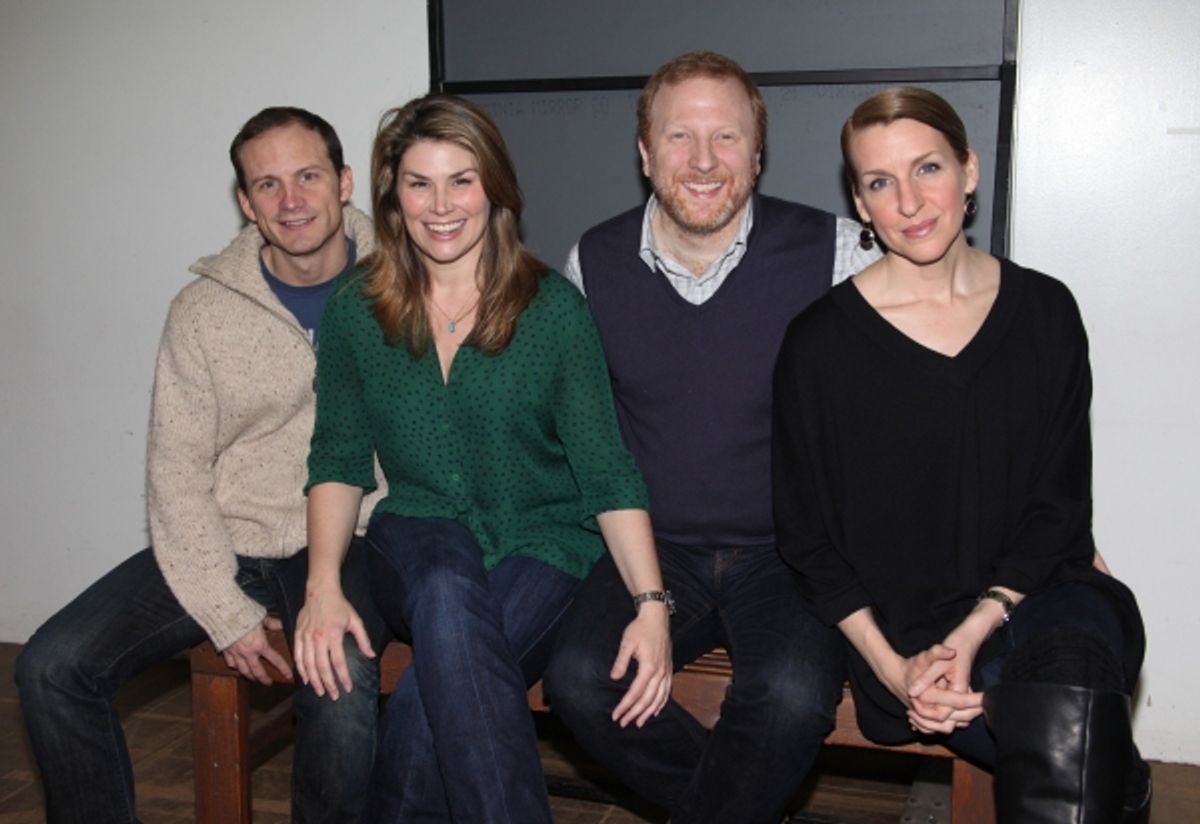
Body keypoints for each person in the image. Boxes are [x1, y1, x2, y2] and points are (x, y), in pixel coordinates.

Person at [771, 86, 1150, 823]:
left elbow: (1060, 503)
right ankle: (1127, 788)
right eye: (881, 182)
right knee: (1077, 751)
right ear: (860, 202)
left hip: (1038, 593)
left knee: (1065, 697)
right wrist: (897, 669)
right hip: (905, 634)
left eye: (929, 169)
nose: (910, 201)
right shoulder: (819, 345)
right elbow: (807, 538)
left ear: (969, 171)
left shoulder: (1045, 310)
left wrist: (979, 626)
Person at [294, 93, 670, 824]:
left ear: (494, 187)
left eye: (461, 179)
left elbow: (605, 467)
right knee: (439, 580)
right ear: (391, 195)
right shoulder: (354, 309)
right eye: (419, 183)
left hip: (543, 543)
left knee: (422, 709)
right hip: (418, 529)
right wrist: (322, 585)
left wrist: (652, 606)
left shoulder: (552, 310)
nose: (441, 205)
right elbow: (336, 455)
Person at [14, 107, 388, 824]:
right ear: (245, 203)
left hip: (354, 535)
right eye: (268, 185)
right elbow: (176, 473)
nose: (292, 201)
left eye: (308, 176)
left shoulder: (403, 285)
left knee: (340, 683)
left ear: (343, 182)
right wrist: (225, 610)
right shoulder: (201, 312)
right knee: (51, 668)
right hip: (232, 534)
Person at [543, 51, 879, 823]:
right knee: (582, 677)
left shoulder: (839, 254)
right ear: (643, 152)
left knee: (791, 696)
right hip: (652, 549)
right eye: (678, 137)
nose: (702, 162)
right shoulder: (590, 264)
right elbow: (583, 435)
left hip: (790, 551)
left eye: (726, 138)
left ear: (758, 152)